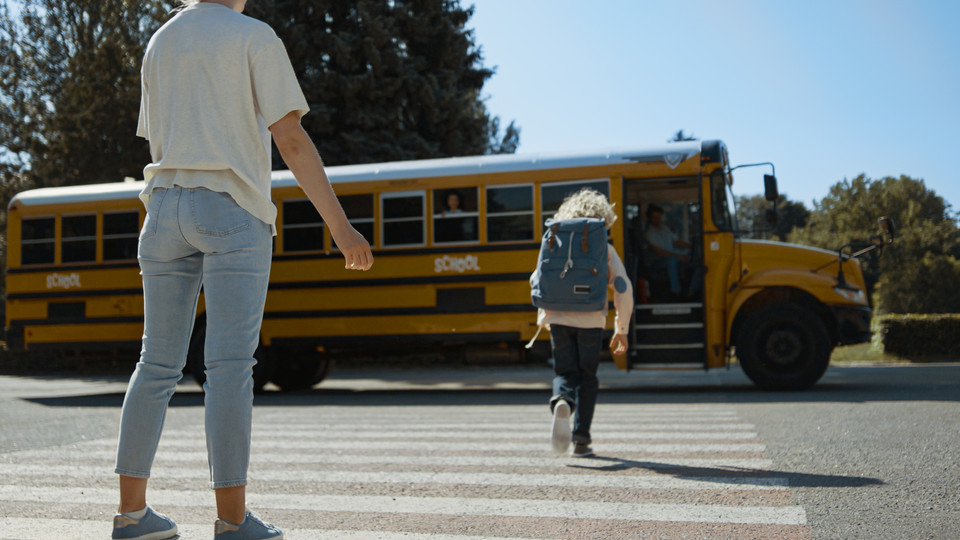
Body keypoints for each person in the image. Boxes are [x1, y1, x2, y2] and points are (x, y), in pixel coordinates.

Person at [112, 1, 373, 539]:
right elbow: (291, 139)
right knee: (228, 367)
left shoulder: (160, 40)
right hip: (231, 208)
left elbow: (161, 136)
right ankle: (233, 522)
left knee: (156, 363)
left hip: (161, 209)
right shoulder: (254, 36)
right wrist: (341, 227)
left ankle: (131, 516)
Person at [534, 189, 633, 458]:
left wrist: (544, 317)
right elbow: (623, 288)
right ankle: (581, 439)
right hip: (591, 318)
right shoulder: (605, 248)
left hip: (558, 317)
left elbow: (537, 280)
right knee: (587, 377)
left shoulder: (554, 239)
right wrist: (621, 329)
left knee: (564, 373)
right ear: (603, 217)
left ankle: (563, 401)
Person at [643, 203, 700, 298]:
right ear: (649, 218)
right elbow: (661, 253)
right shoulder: (649, 233)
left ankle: (692, 290)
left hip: (673, 256)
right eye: (655, 217)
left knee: (695, 261)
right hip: (658, 261)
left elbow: (676, 242)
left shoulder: (664, 228)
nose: (658, 219)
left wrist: (693, 246)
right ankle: (676, 292)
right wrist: (679, 256)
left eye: (659, 217)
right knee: (672, 262)